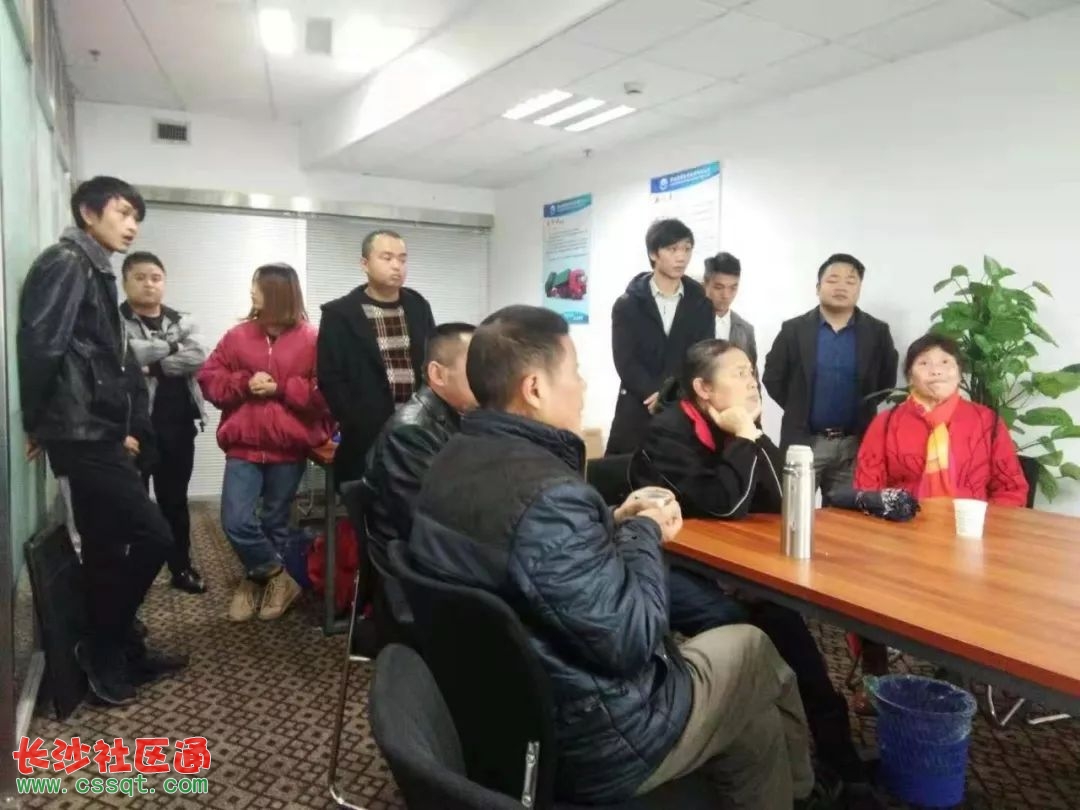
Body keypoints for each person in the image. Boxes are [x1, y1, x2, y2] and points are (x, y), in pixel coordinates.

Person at [409, 305, 814, 808]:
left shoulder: (452, 458)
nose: (582, 386)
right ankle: (807, 789)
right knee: (753, 646)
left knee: (752, 717)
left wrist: (611, 517)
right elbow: (632, 638)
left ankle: (787, 792)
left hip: (504, 707)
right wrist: (645, 530)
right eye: (575, 372)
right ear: (534, 388)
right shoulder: (552, 495)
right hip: (603, 735)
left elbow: (523, 542)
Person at [630, 340, 873, 795]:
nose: (752, 381)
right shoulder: (667, 432)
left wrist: (755, 435)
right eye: (739, 373)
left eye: (751, 371)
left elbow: (781, 498)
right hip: (674, 565)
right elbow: (724, 504)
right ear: (703, 388)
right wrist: (744, 436)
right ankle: (782, 760)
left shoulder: (736, 421)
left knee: (794, 640)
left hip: (737, 566)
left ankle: (840, 762)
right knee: (751, 627)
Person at [17, 176, 186, 706]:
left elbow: (107, 357)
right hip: (79, 431)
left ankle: (121, 649)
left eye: (136, 217)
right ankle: (101, 643)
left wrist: (129, 427)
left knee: (106, 546)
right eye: (122, 213)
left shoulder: (95, 269)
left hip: (98, 429)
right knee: (155, 535)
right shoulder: (65, 263)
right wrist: (36, 422)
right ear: (89, 213)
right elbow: (40, 344)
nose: (131, 225)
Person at [849, 333, 1028, 711]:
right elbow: (868, 489)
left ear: (959, 372)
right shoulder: (887, 423)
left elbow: (1011, 487)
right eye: (925, 363)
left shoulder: (986, 422)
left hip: (969, 539)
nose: (936, 370)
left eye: (946, 362)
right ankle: (875, 675)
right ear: (909, 375)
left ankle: (951, 681)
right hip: (903, 538)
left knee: (975, 588)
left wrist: (986, 531)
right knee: (866, 587)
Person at [198, 263, 330, 622]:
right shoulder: (237, 336)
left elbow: (326, 394)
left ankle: (257, 581)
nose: (251, 293)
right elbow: (209, 379)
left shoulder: (313, 339)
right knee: (236, 521)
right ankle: (277, 577)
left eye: (256, 287)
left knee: (275, 521)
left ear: (277, 293)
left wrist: (281, 387)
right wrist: (243, 383)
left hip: (288, 448)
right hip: (243, 445)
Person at [763, 253, 898, 502]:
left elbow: (885, 383)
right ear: (818, 288)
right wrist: (799, 406)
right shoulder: (794, 330)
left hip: (855, 443)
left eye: (850, 281)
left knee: (846, 516)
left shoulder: (877, 332)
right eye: (833, 280)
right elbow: (773, 377)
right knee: (792, 510)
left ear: (859, 289)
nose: (841, 287)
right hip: (805, 440)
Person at [120, 251, 208, 594]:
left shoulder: (180, 319)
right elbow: (127, 356)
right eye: (140, 277)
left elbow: (197, 356)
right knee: (134, 507)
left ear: (164, 282)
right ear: (126, 281)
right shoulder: (113, 322)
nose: (149, 284)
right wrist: (172, 348)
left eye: (155, 278)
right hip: (134, 430)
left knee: (175, 502)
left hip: (178, 426)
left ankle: (180, 567)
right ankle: (134, 576)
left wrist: (153, 365)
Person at [317, 230, 436, 484]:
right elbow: (329, 375)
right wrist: (352, 420)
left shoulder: (418, 306)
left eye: (402, 259)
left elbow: (433, 360)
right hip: (365, 433)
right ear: (365, 264)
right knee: (367, 499)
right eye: (387, 257)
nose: (397, 266)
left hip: (417, 429)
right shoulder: (340, 314)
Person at [363, 322, 477, 562]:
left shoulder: (466, 417)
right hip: (413, 560)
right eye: (476, 367)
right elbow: (426, 523)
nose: (488, 377)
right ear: (438, 374)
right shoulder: (410, 431)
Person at [607, 218, 713, 456]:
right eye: (673, 249)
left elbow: (702, 357)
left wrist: (670, 395)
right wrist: (653, 394)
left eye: (687, 249)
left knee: (680, 471)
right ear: (653, 254)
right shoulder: (628, 304)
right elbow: (625, 361)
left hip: (683, 407)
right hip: (637, 407)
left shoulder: (700, 304)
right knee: (626, 471)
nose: (681, 257)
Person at [703, 252, 757, 368]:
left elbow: (752, 372)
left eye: (733, 288)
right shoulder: (689, 322)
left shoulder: (745, 330)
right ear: (706, 283)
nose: (726, 295)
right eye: (719, 287)